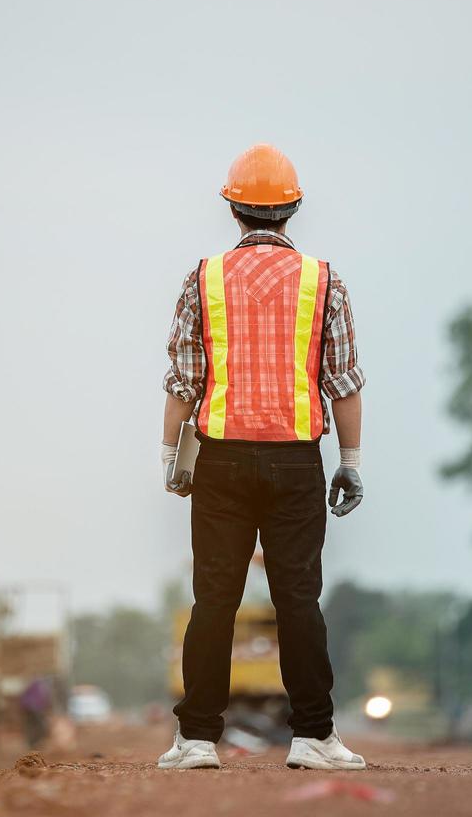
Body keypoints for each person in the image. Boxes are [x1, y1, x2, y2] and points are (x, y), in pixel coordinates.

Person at [157, 144, 367, 771]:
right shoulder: (324, 281)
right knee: (298, 599)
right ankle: (313, 737)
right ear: (294, 209)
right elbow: (345, 382)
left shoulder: (204, 279)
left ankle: (196, 739)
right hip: (296, 462)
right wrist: (350, 460)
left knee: (213, 601)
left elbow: (183, 380)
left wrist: (172, 454)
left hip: (220, 462)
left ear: (233, 212)